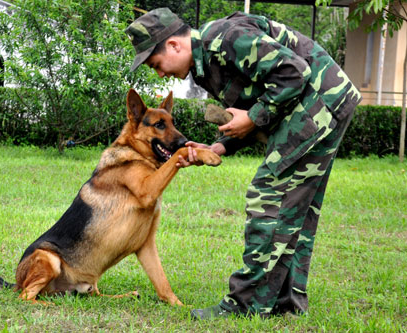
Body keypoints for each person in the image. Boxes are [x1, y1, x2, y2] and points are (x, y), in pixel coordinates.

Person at [125, 8, 361, 320]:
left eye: (156, 64)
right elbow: (252, 104)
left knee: (269, 198)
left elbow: (294, 72)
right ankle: (285, 303)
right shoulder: (204, 63)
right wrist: (220, 145)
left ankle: (245, 304)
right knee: (295, 209)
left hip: (319, 102)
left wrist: (253, 118)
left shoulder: (223, 40)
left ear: (174, 45)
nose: (160, 74)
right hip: (321, 103)